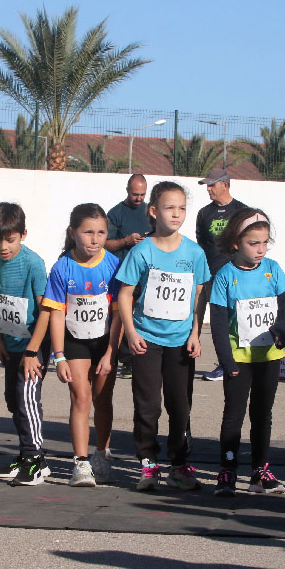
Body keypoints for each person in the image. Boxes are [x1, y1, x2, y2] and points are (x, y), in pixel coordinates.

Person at [117, 181, 210, 491]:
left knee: (180, 405)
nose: (177, 214)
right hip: (146, 338)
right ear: (153, 211)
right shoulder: (141, 251)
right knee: (147, 405)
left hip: (181, 341)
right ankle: (148, 462)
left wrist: (196, 333)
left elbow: (198, 294)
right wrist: (130, 333)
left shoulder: (194, 253)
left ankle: (180, 464)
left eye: (182, 208)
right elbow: (125, 294)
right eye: (170, 207)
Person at [209, 207, 285, 496]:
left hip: (268, 357)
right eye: (253, 243)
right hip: (239, 358)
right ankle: (228, 469)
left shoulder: (272, 269)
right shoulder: (225, 275)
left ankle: (260, 471)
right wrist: (226, 359)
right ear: (236, 242)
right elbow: (219, 322)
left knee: (262, 414)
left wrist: (281, 330)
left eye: (264, 243)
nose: (260, 249)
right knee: (234, 415)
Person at [43, 203, 122, 487]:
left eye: (101, 232)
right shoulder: (62, 268)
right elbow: (56, 313)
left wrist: (112, 352)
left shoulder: (114, 266)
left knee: (102, 399)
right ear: (73, 233)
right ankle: (81, 463)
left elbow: (118, 315)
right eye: (88, 232)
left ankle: (102, 453)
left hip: (104, 342)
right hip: (74, 342)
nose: (95, 239)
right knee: (81, 397)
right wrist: (59, 356)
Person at [0, 202, 52, 486]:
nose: (3, 247)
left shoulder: (34, 263)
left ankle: (36, 459)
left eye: (9, 240)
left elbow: (46, 311)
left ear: (23, 234)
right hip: (9, 342)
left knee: (26, 398)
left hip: (34, 344)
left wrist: (32, 351)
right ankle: (24, 457)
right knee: (13, 401)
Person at [196, 167, 247, 382]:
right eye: (207, 185)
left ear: (225, 185)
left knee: (239, 319)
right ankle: (223, 363)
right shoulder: (204, 213)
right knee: (218, 321)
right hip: (212, 274)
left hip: (236, 274)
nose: (208, 189)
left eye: (212, 184)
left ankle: (243, 361)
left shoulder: (242, 210)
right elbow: (201, 243)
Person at [106, 174, 153, 379]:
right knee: (123, 316)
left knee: (145, 315)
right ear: (127, 190)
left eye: (142, 195)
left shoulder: (151, 211)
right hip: (124, 273)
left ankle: (146, 357)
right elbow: (106, 243)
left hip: (149, 274)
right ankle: (126, 360)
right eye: (135, 194)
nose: (139, 198)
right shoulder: (116, 214)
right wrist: (126, 240)